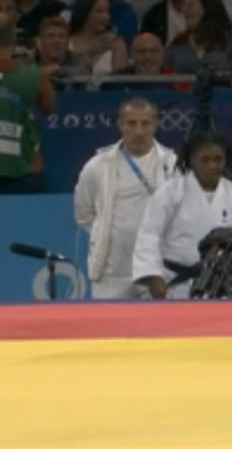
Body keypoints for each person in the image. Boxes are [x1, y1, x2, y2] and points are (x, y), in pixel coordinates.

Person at [132, 133, 232, 300]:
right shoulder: (170, 192)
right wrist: (153, 277)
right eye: (204, 160)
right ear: (191, 160)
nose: (212, 165)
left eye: (218, 159)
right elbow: (149, 234)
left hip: (220, 286)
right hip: (174, 286)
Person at [72, 97, 177, 298]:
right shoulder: (96, 166)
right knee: (108, 329)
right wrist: (106, 232)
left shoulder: (173, 165)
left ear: (156, 125)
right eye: (131, 123)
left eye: (145, 123)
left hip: (158, 271)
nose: (138, 131)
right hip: (112, 274)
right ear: (120, 125)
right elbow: (84, 214)